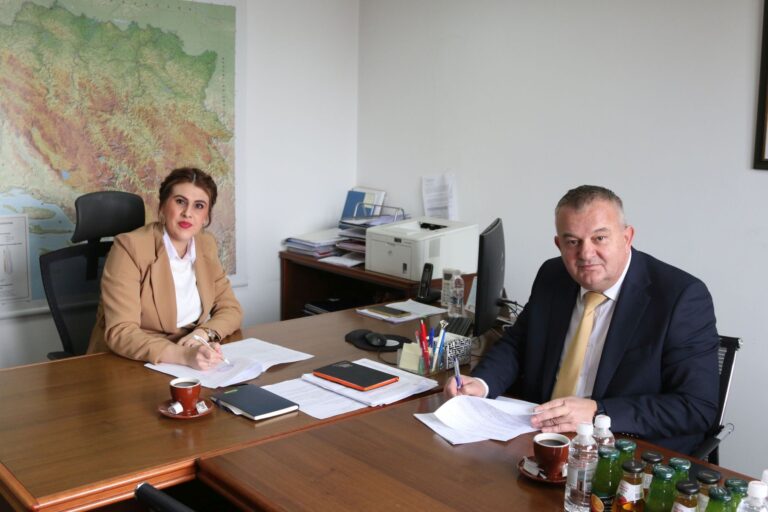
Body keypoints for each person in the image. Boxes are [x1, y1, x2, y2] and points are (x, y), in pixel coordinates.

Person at [444, 185, 719, 454]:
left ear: (627, 237)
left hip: (622, 452)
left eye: (600, 238)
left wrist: (599, 412)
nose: (586, 254)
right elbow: (518, 344)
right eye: (573, 242)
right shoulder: (553, 275)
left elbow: (696, 407)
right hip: (541, 439)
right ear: (559, 244)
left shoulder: (680, 297)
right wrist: (482, 384)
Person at [87, 167, 243, 370]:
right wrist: (184, 355)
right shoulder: (129, 247)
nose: (188, 213)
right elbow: (121, 331)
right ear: (162, 206)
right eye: (180, 201)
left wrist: (203, 334)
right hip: (129, 361)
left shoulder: (206, 245)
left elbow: (231, 309)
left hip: (189, 357)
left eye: (199, 206)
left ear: (206, 216)